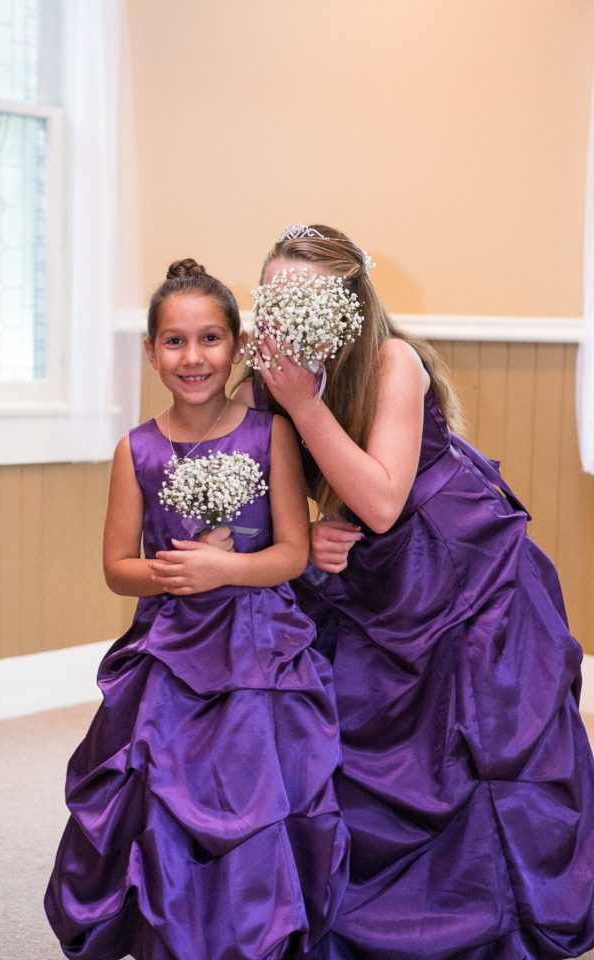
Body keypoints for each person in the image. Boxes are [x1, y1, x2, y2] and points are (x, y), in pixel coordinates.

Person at [234, 224, 594, 960]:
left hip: (452, 560)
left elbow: (384, 501)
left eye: (304, 299)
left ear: (348, 303)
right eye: (273, 298)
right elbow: (267, 493)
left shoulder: (394, 361)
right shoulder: (269, 376)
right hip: (365, 568)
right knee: (345, 723)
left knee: (480, 731)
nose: (286, 315)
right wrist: (310, 530)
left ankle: (505, 902)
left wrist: (304, 404)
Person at [44, 258, 350, 960]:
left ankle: (257, 928)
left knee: (258, 788)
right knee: (160, 789)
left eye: (210, 339)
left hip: (258, 648)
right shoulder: (138, 450)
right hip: (171, 648)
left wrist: (228, 567)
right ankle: (169, 926)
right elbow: (118, 570)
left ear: (237, 347)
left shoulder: (268, 434)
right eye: (175, 342)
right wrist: (176, 572)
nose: (193, 356)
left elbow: (293, 554)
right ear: (151, 352)